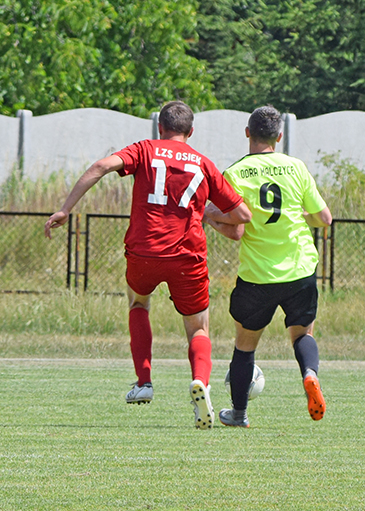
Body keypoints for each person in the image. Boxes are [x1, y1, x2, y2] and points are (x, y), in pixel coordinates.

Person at [45, 101, 251, 429]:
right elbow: (242, 217)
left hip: (144, 252)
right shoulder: (204, 164)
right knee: (198, 327)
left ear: (160, 128)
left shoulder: (144, 150)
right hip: (187, 256)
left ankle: (143, 382)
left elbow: (100, 166)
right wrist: (208, 216)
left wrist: (65, 209)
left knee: (138, 302)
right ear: (191, 131)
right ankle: (201, 383)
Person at [204, 105, 333, 427]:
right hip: (300, 269)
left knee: (245, 345)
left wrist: (211, 219)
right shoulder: (296, 167)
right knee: (302, 333)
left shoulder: (234, 174)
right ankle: (309, 374)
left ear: (248, 133)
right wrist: (298, 218)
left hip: (257, 275)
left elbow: (236, 230)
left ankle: (239, 414)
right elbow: (324, 219)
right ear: (279, 136)